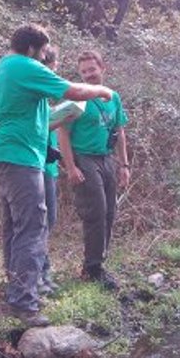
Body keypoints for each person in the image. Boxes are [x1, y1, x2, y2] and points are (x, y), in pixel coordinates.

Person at [0, 24, 114, 327]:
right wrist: (103, 91)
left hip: (1, 153)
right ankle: (24, 303)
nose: (44, 58)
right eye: (43, 52)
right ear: (32, 48)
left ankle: (16, 287)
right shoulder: (24, 65)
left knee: (15, 226)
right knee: (32, 226)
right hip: (20, 157)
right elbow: (74, 90)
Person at [58, 50, 130, 291]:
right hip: (84, 157)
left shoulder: (113, 97)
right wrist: (71, 167)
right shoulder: (77, 97)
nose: (88, 74)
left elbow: (119, 131)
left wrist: (124, 165)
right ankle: (92, 267)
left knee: (110, 211)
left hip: (106, 158)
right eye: (84, 71)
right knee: (95, 210)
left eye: (92, 69)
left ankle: (99, 263)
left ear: (102, 68)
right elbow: (62, 132)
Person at [40, 45, 61, 294]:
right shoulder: (36, 94)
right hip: (39, 165)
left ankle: (43, 272)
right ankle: (40, 275)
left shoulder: (44, 99)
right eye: (54, 68)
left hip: (49, 165)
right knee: (43, 221)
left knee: (48, 220)